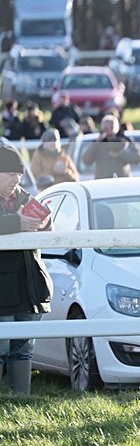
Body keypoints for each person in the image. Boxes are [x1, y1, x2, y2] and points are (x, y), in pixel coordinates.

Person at [0, 144, 53, 394]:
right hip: (3, 290)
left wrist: (44, 221)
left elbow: (49, 228)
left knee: (24, 349)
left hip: (31, 288)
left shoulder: (26, 199)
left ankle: (21, 400)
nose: (16, 179)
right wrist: (17, 222)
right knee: (0, 348)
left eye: (19, 174)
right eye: (10, 173)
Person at [81, 114, 140, 179]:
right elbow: (86, 160)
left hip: (122, 180)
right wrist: (96, 143)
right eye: (105, 128)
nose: (108, 130)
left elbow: (138, 158)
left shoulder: (125, 140)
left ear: (117, 127)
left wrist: (120, 154)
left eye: (111, 127)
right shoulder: (98, 143)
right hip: (103, 181)